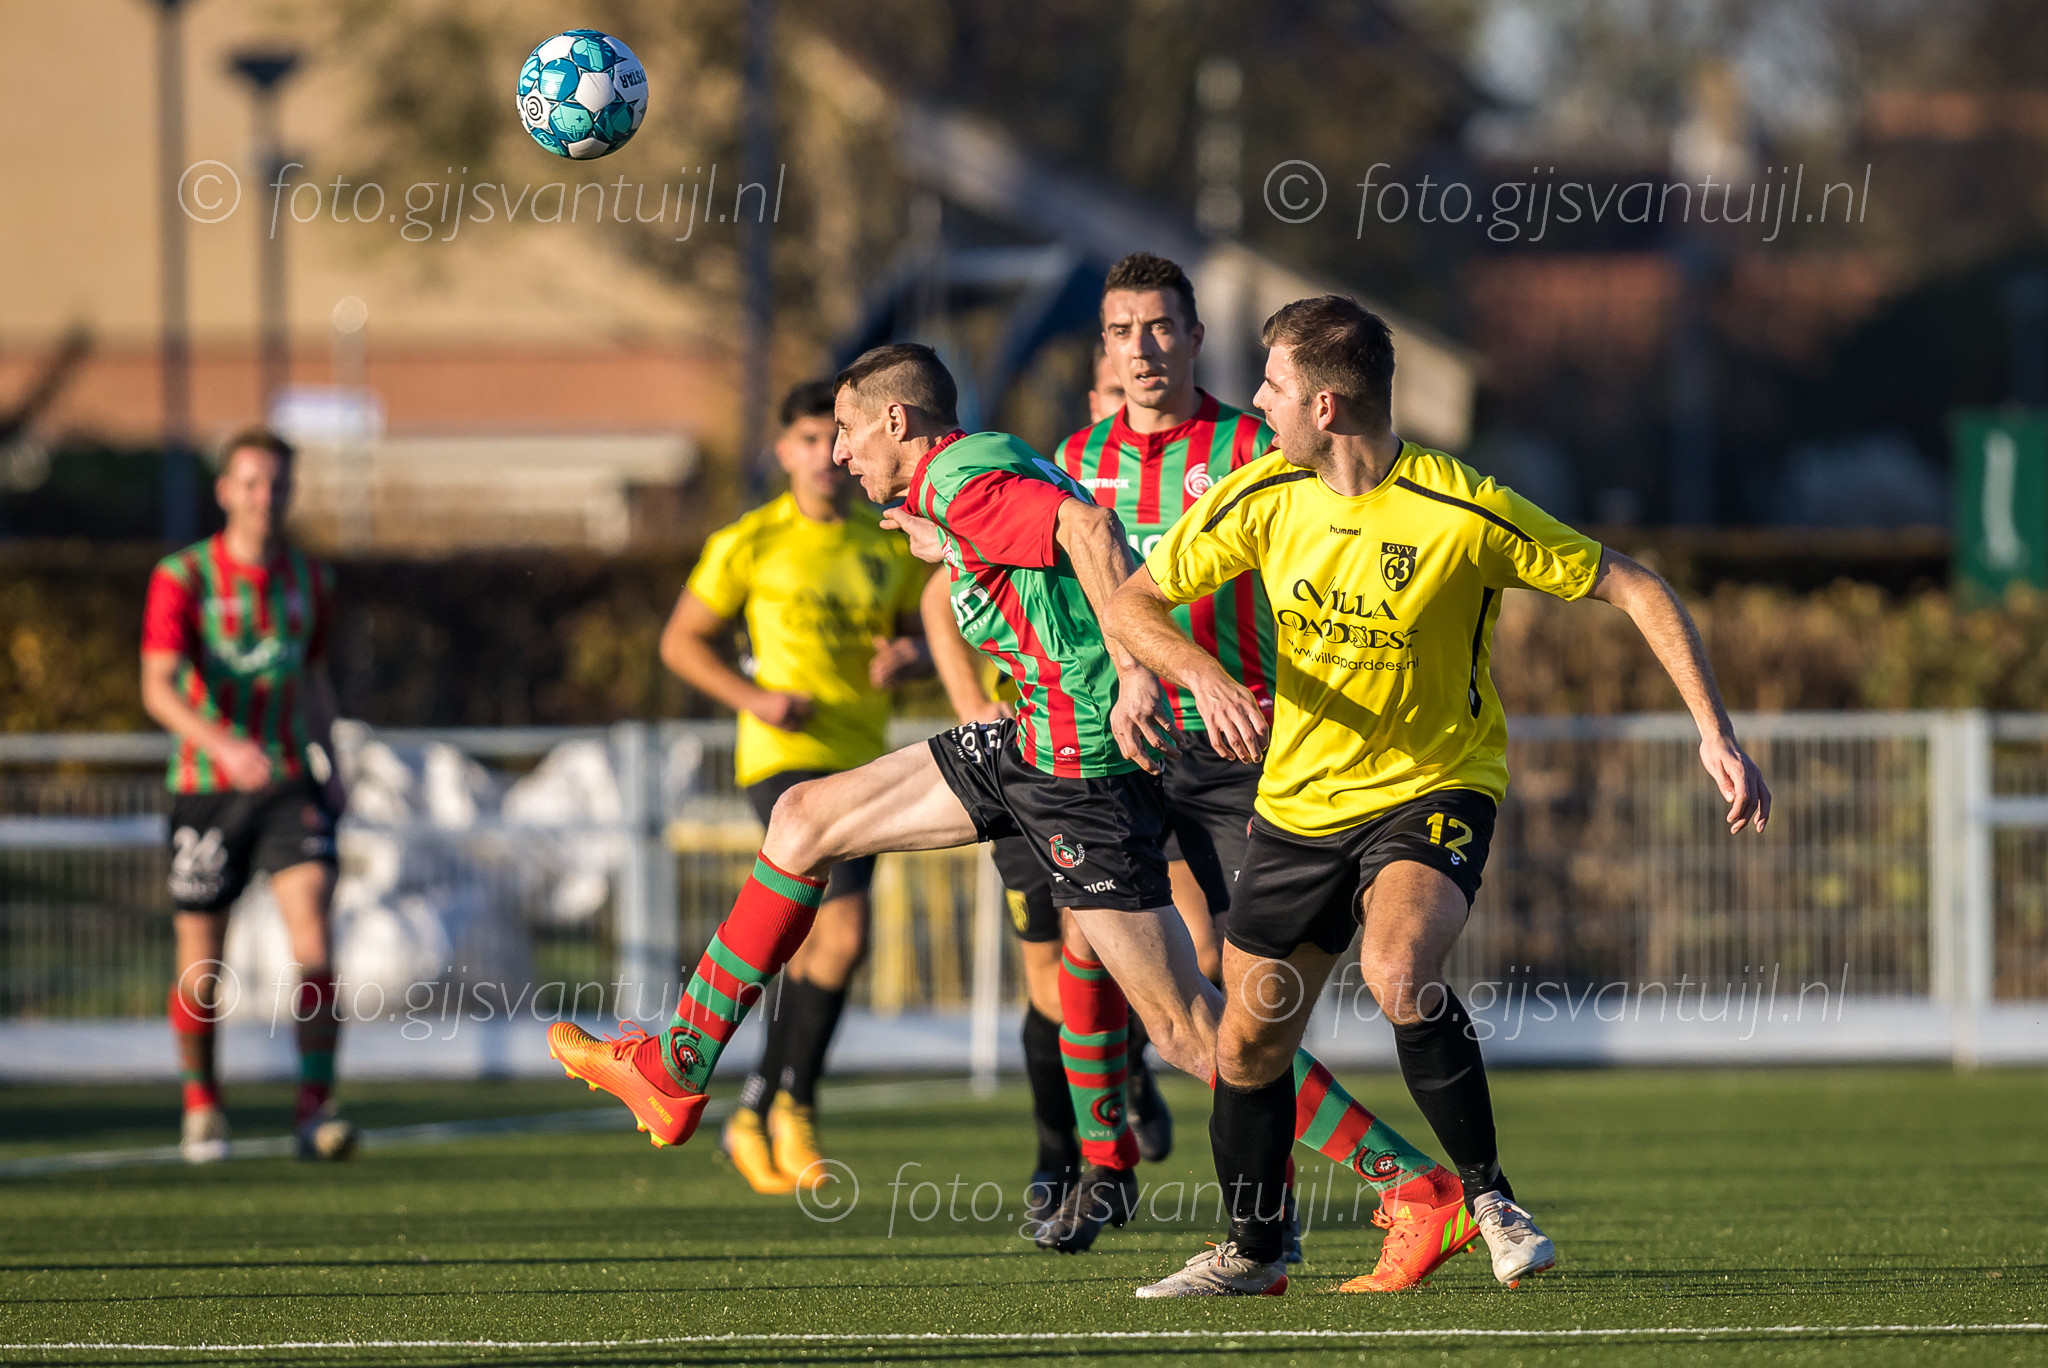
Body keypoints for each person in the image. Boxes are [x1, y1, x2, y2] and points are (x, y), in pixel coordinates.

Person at [549, 343, 1464, 1274]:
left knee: (1189, 1027)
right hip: (1030, 740)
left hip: (1078, 771)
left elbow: (1090, 529)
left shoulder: (961, 480)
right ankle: (676, 1065)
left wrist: (1136, 672)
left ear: (898, 422)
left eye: (849, 431)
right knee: (802, 820)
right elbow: (1038, 546)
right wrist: (945, 542)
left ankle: (1414, 1187)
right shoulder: (971, 470)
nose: (841, 452)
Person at [1109, 294, 1772, 1297]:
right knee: (1247, 1040)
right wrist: (1200, 676)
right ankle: (1252, 1254)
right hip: (1298, 807)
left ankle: (1490, 1201)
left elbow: (1634, 585)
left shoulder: (1460, 509)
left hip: (1434, 787)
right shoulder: (1260, 495)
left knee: (1397, 969)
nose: (1256, 402)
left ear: (1326, 407)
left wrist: (1713, 731)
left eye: (1273, 385)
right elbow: (1134, 602)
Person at [659, 379, 931, 1194]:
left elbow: (928, 629)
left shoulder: (885, 539)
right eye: (807, 440)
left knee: (822, 944)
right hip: (781, 759)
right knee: (841, 931)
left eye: (832, 438)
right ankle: (790, 1109)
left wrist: (912, 659)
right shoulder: (750, 540)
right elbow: (681, 642)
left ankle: (758, 1111)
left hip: (861, 758)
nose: (823, 455)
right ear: (784, 451)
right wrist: (754, 699)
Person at [140, 427, 356, 1165]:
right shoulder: (183, 577)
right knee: (203, 960)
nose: (267, 497)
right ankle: (202, 1105)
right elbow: (157, 687)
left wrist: (331, 759)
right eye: (253, 483)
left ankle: (316, 1108)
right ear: (226, 490)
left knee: (315, 937)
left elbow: (314, 679)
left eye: (279, 484)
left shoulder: (312, 580)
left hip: (289, 780)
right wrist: (224, 746)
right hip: (206, 789)